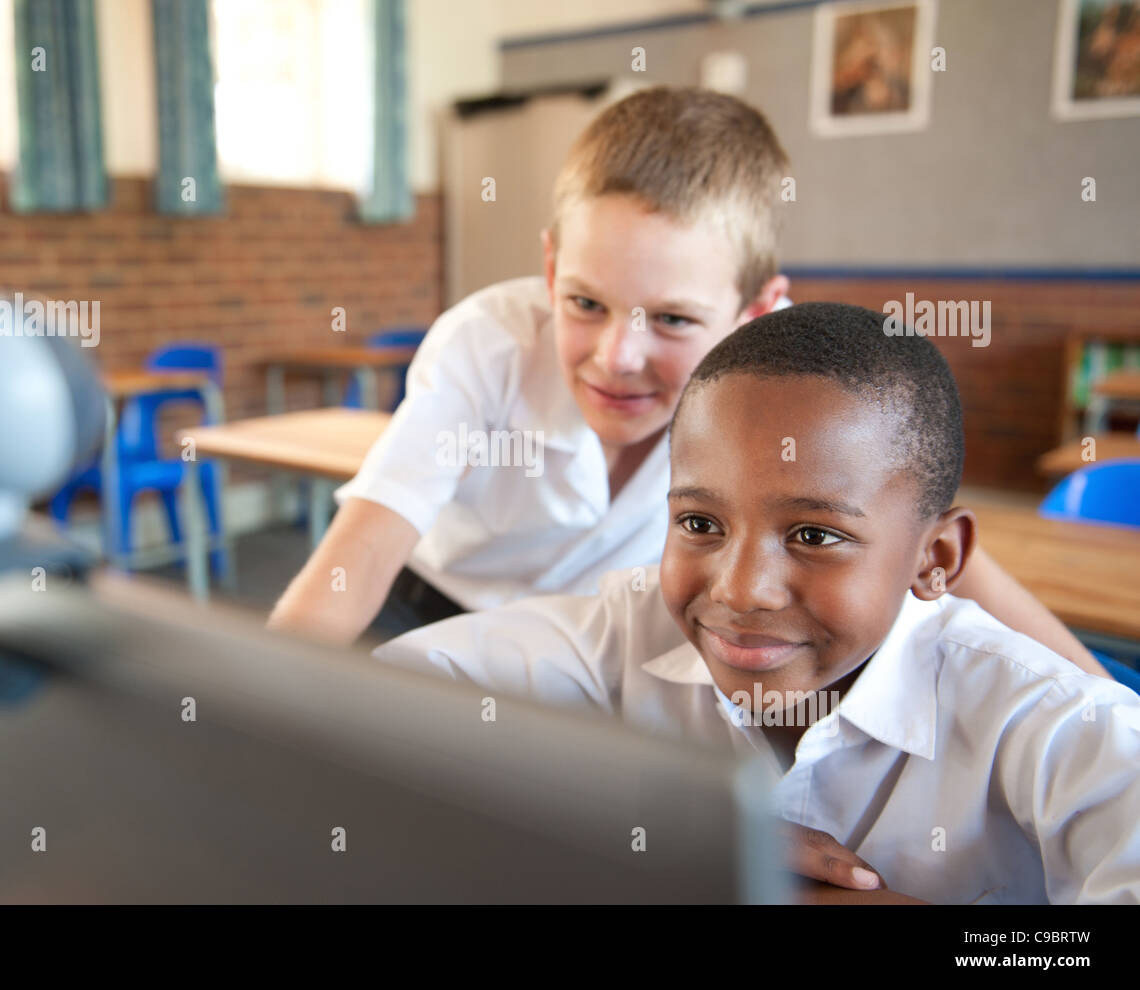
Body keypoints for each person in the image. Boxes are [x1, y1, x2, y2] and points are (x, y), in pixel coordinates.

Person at [269, 85, 1111, 684]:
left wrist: (1112, 718)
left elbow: (953, 564)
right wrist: (254, 706)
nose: (616, 356)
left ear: (756, 309)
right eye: (585, 302)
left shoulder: (775, 391)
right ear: (551, 265)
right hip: (430, 609)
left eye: (671, 319)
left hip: (595, 655)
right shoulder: (485, 345)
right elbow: (355, 561)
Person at [374, 303, 1140, 903]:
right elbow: (379, 709)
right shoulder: (626, 630)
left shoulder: (1052, 726)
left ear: (935, 559)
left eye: (813, 533)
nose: (740, 590)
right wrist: (660, 830)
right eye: (700, 523)